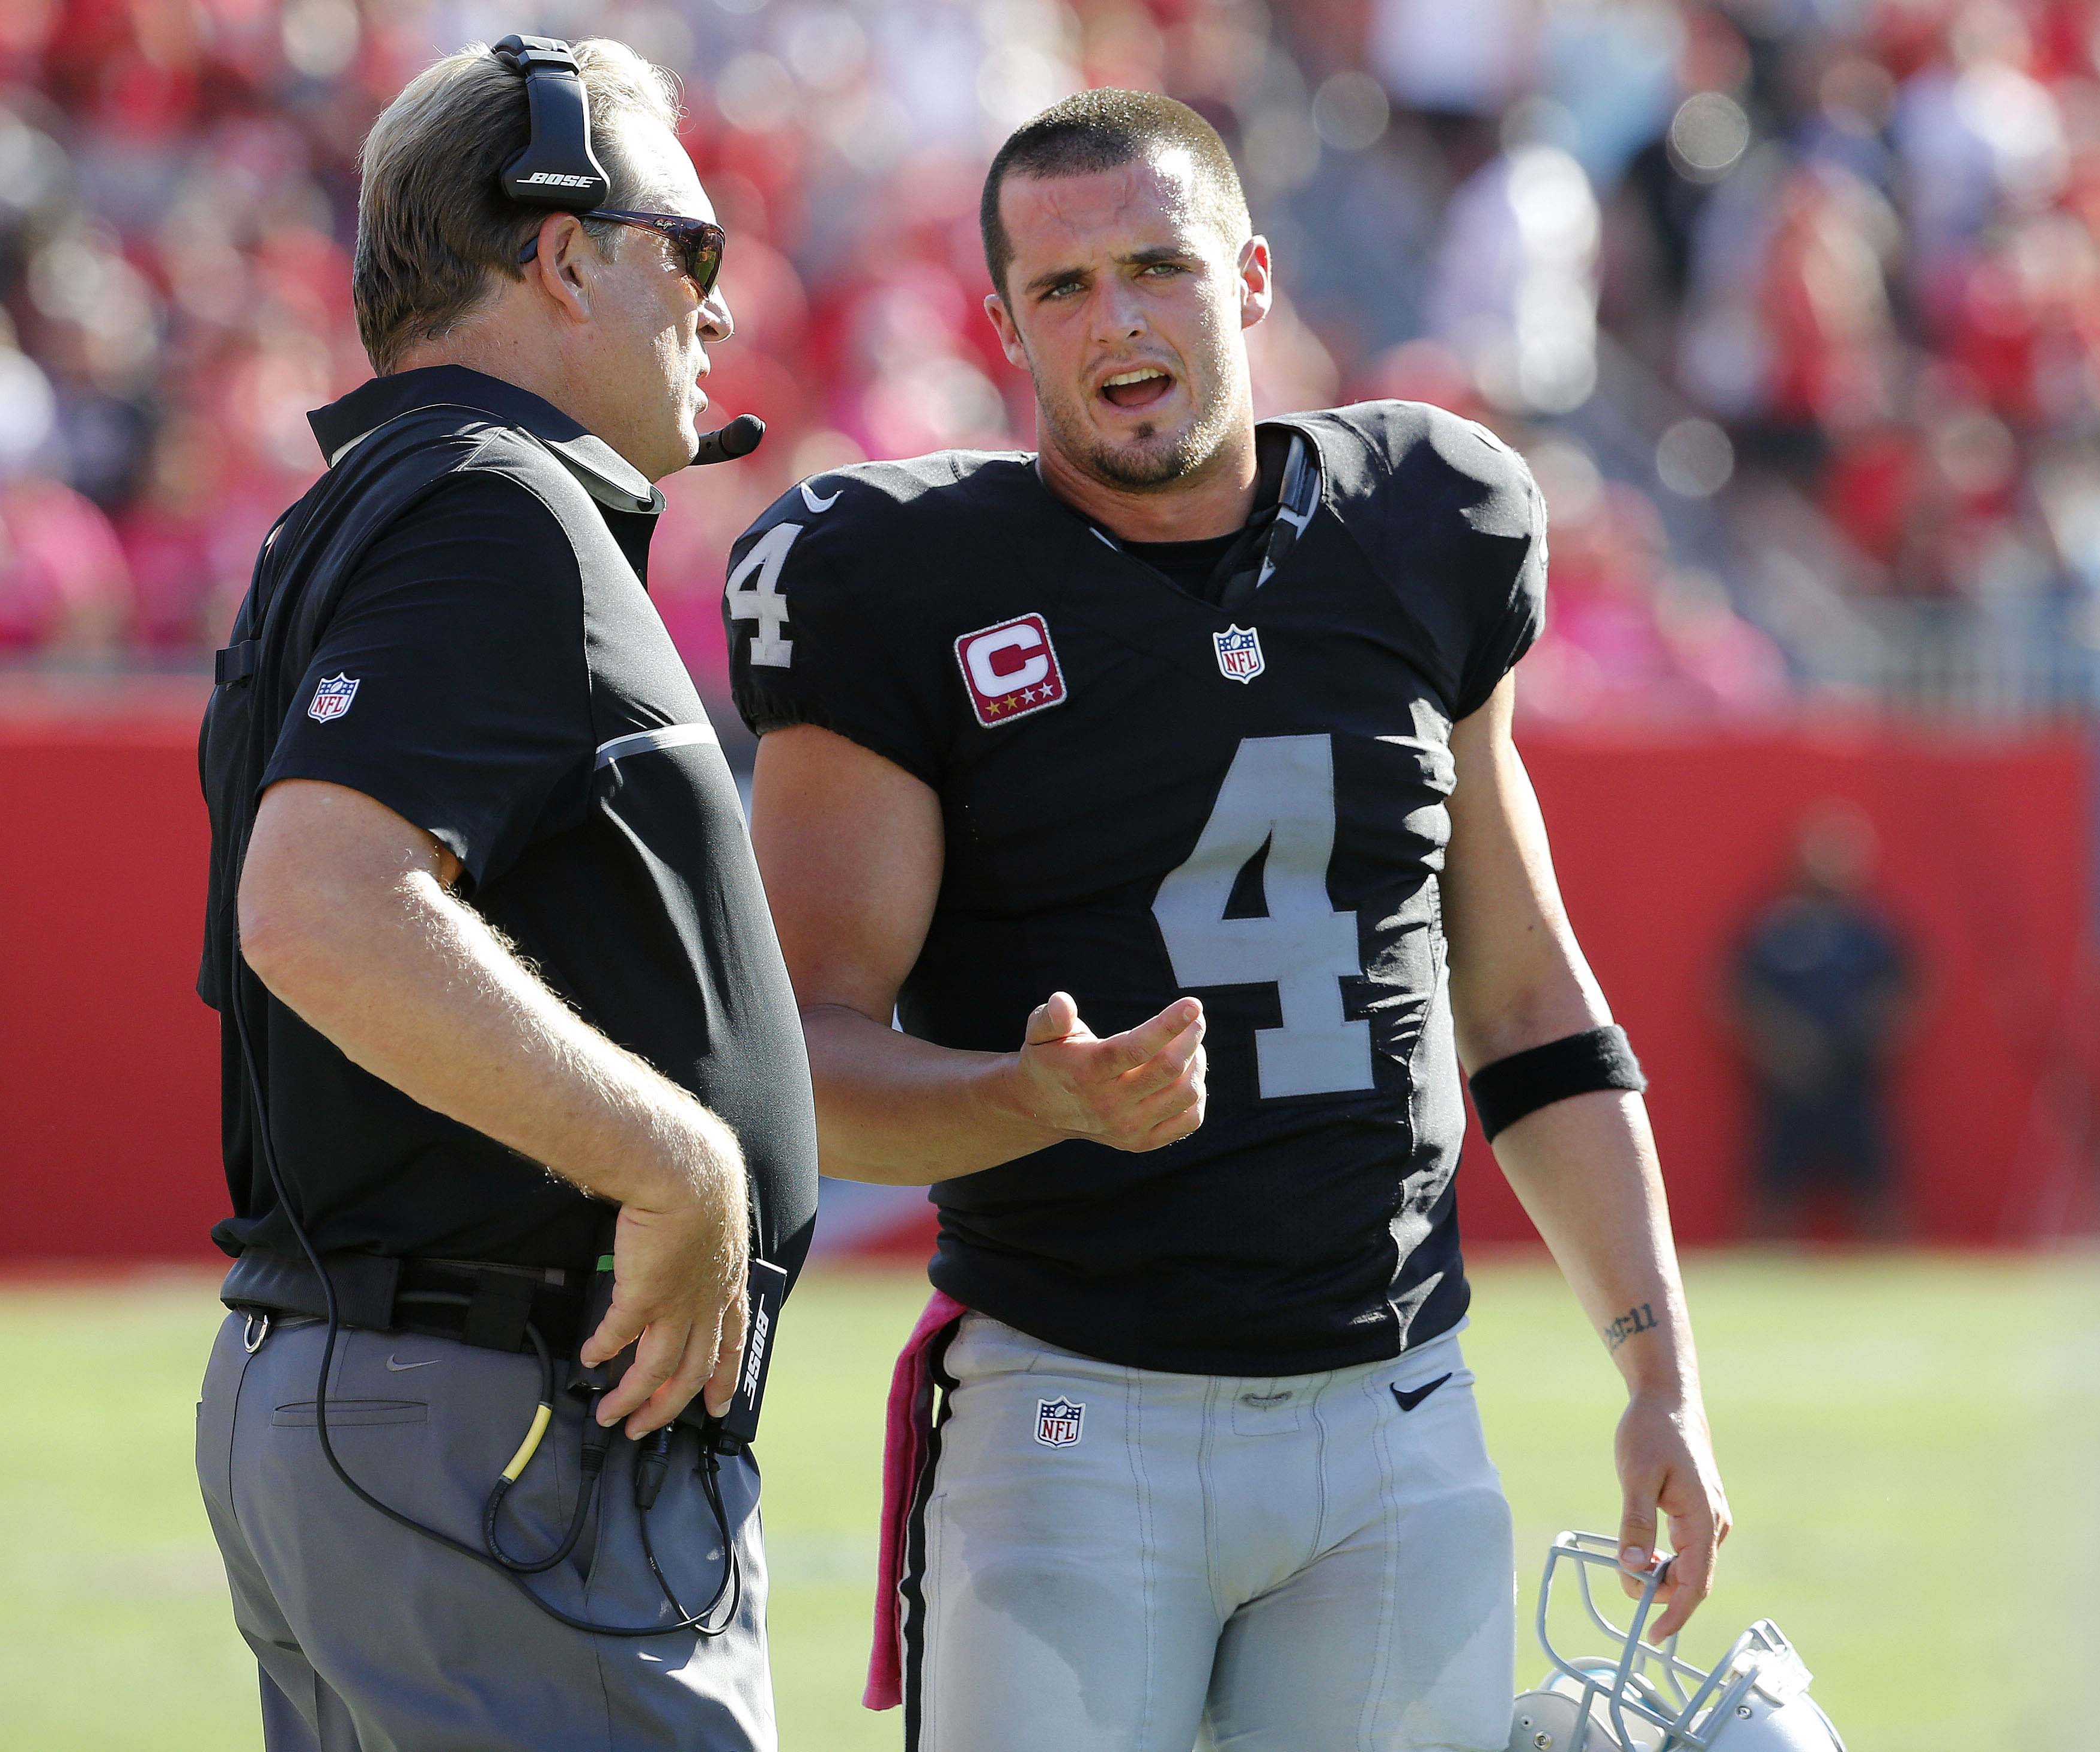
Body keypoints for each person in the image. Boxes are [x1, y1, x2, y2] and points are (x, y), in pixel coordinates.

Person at [723, 91, 1729, 1750]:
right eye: (1060, 288)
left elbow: (1530, 1005)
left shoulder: (1424, 522)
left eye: (1155, 267)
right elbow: (792, 1054)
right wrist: (1024, 1100)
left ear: (1249, 277)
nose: (1115, 319)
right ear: (1001, 328)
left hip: (1393, 1404)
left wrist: (1655, 1373)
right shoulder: (900, 578)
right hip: (1073, 1405)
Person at [192, 38, 814, 1752]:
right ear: (559, 251)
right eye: (689, 243)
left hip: (404, 1402)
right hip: (491, 1425)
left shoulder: (394, 498)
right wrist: (676, 1155)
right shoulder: (492, 498)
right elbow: (318, 906)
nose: (715, 299)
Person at [1732, 804, 1914, 1239]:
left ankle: (1899, 1278)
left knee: (1877, 1187)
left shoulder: (1871, 928)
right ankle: (1757, 1281)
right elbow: (1738, 995)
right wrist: (1783, 1044)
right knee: (1774, 1188)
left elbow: (1908, 989)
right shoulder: (1777, 925)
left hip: (1854, 1078)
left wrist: (1872, 1029)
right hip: (1791, 1082)